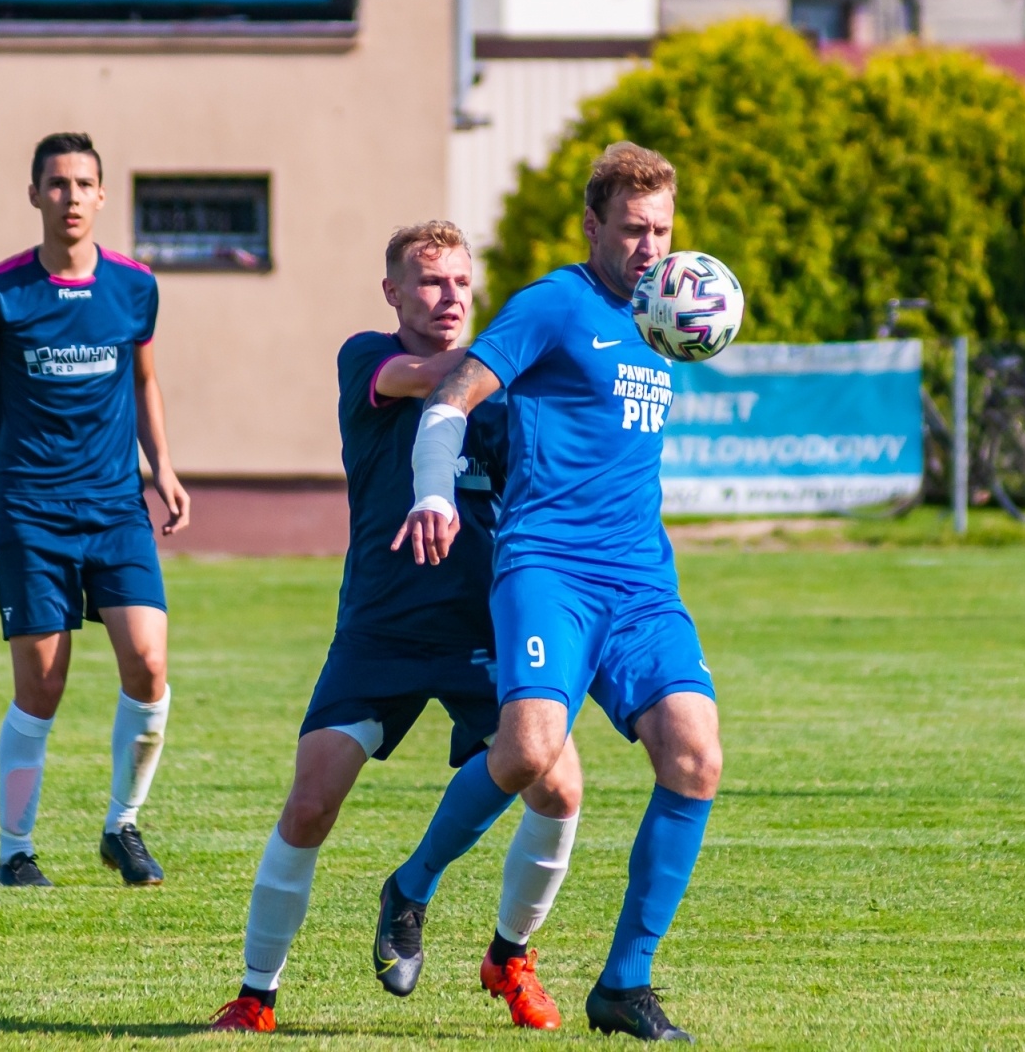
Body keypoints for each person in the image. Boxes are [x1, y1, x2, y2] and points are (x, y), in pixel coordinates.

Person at [381, 143, 721, 1042]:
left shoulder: (665, 318)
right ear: (593, 226)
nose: (651, 248)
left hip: (642, 579)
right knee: (530, 753)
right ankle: (411, 885)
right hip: (549, 568)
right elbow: (453, 397)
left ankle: (623, 986)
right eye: (633, 230)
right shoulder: (553, 304)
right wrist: (432, 490)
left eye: (662, 230)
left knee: (695, 757)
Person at [210, 222, 583, 1034]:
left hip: (486, 629)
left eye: (460, 283)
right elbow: (428, 375)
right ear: (394, 293)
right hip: (380, 629)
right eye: (430, 283)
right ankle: (254, 994)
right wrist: (543, 347)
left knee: (559, 785)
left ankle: (511, 957)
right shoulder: (369, 358)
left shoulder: (511, 384)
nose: (449, 297)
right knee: (311, 803)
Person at [0, 132, 190, 890]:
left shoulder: (135, 287)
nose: (71, 197)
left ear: (102, 196)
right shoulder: (0, 291)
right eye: (57, 184)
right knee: (41, 688)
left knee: (148, 664)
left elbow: (143, 381)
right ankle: (14, 851)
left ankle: (123, 825)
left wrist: (163, 468)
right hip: (32, 513)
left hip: (116, 507)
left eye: (84, 184)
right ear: (35, 194)